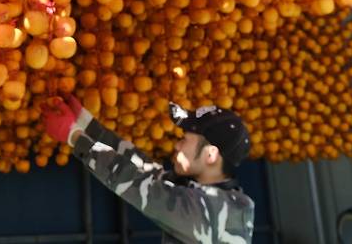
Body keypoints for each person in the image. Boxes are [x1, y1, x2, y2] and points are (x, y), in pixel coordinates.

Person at [42, 94, 255, 243]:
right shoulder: (210, 196)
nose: (177, 145)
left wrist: (75, 137)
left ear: (210, 155)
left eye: (185, 140)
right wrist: (88, 124)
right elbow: (144, 169)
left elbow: (139, 185)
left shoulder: (211, 211)